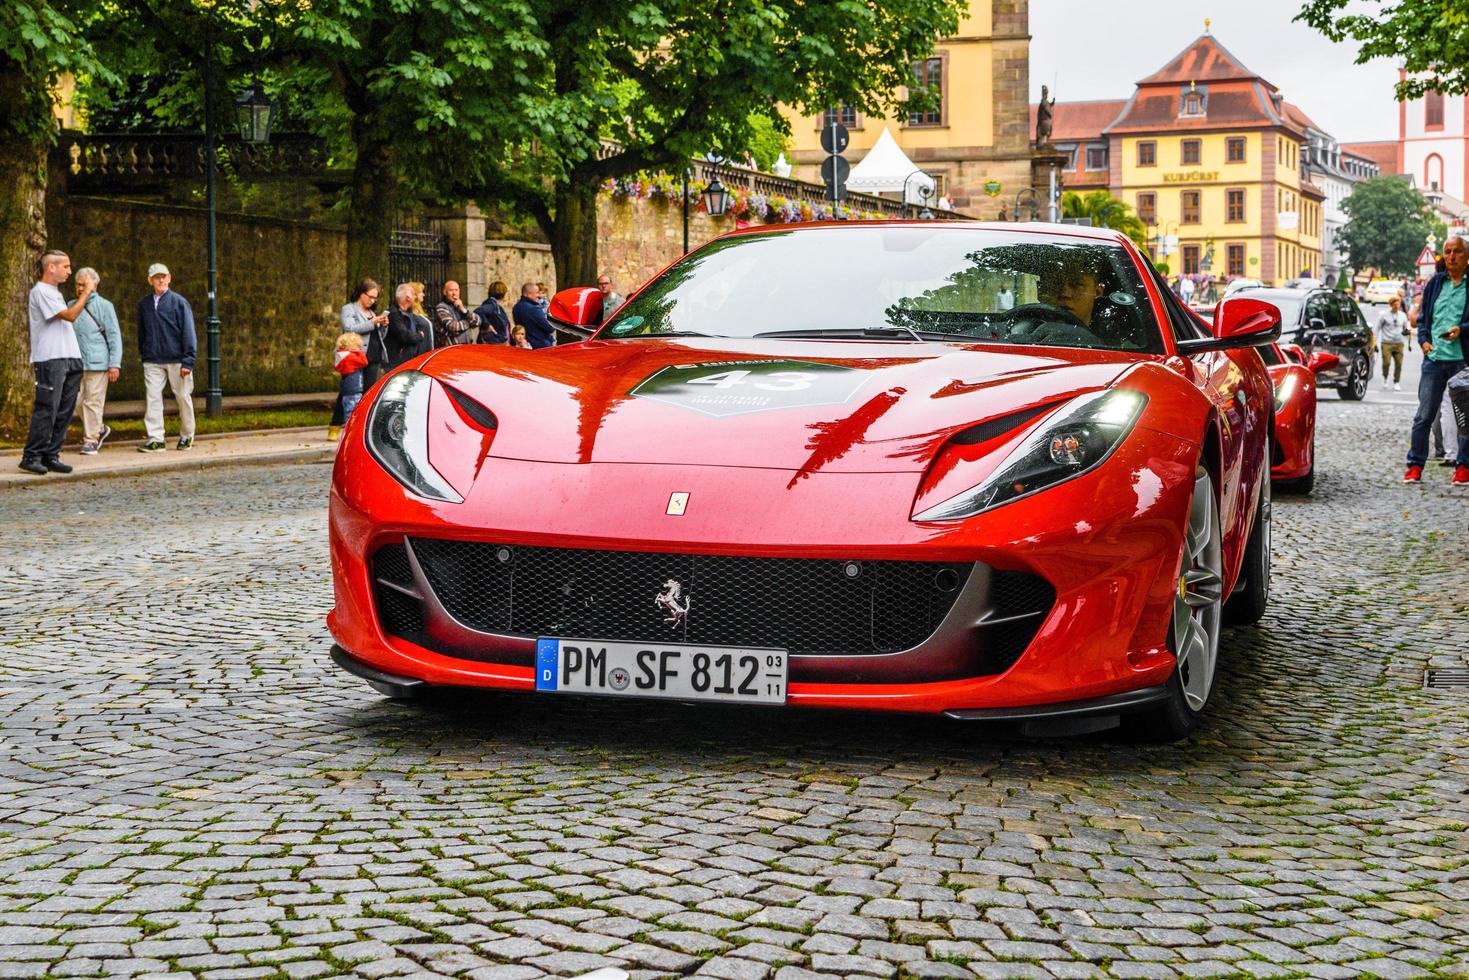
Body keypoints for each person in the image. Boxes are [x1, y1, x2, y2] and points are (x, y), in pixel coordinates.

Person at [1404, 235, 1469, 484]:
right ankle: (1415, 465)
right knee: (1424, 415)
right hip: (1434, 358)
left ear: (1466, 257)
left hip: (1462, 360)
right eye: (1448, 252)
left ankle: (1463, 466)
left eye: (1457, 252)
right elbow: (1422, 320)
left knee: (1465, 417)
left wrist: (1461, 329)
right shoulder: (1435, 284)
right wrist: (1423, 341)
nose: (1451, 256)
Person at [20, 250, 91, 476]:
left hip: (70, 355)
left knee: (65, 409)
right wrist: (87, 293)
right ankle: (32, 455)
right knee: (47, 407)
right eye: (66, 267)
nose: (70, 271)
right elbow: (69, 315)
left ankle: (51, 454)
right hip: (50, 357)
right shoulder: (41, 292)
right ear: (51, 267)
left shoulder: (55, 292)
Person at [136, 263, 197, 453]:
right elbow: (141, 332)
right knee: (153, 398)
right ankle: (156, 438)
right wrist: (145, 354)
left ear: (169, 278)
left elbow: (188, 332)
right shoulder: (144, 304)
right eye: (156, 277)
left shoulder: (179, 302)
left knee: (182, 397)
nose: (160, 280)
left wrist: (188, 360)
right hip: (153, 359)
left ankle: (187, 435)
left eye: (163, 276)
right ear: (150, 280)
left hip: (177, 359)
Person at [71, 267, 123, 455]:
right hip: (77, 364)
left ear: (95, 284)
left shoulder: (104, 306)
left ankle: (91, 440)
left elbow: (114, 336)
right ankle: (99, 428)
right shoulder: (71, 305)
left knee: (93, 401)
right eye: (78, 284)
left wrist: (114, 364)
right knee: (76, 402)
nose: (80, 288)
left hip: (98, 362)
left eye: (84, 284)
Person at [330, 278, 390, 440]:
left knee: (367, 392)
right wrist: (373, 322)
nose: (373, 300)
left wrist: (383, 325)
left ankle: (360, 427)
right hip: (354, 356)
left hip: (373, 354)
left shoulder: (372, 313)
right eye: (370, 296)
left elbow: (379, 335)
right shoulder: (349, 309)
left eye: (375, 298)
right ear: (361, 294)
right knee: (349, 390)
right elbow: (350, 328)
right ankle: (335, 425)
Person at [386, 283, 432, 367]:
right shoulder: (394, 314)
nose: (415, 298)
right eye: (414, 294)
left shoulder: (408, 312)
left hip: (411, 359)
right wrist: (419, 336)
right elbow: (404, 335)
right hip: (399, 361)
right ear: (408, 297)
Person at [333, 332, 369, 424]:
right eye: (357, 346)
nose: (359, 348)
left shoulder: (342, 356)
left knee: (349, 412)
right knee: (352, 414)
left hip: (348, 389)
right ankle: (350, 433)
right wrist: (358, 352)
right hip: (353, 389)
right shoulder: (349, 357)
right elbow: (364, 362)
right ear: (350, 346)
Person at [1376, 295, 1409, 390]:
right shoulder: (1384, 315)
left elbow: (1405, 328)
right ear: (1391, 305)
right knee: (1386, 363)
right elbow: (1377, 328)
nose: (1397, 306)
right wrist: (1375, 340)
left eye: (1398, 304)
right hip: (1386, 343)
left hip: (1399, 343)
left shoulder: (1403, 315)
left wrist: (1407, 333)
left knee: (1399, 363)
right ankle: (1385, 378)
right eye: (1395, 304)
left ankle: (1396, 382)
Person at [433, 280, 481, 347]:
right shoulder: (441, 308)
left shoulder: (460, 306)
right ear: (444, 292)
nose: (454, 293)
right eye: (451, 290)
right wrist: (469, 323)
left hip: (467, 347)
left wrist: (463, 310)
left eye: (456, 290)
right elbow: (453, 327)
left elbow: (478, 321)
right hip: (449, 349)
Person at [513, 282, 555, 349]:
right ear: (529, 294)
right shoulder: (533, 309)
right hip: (540, 346)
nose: (539, 296)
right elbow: (550, 327)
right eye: (537, 293)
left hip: (525, 346)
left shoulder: (516, 308)